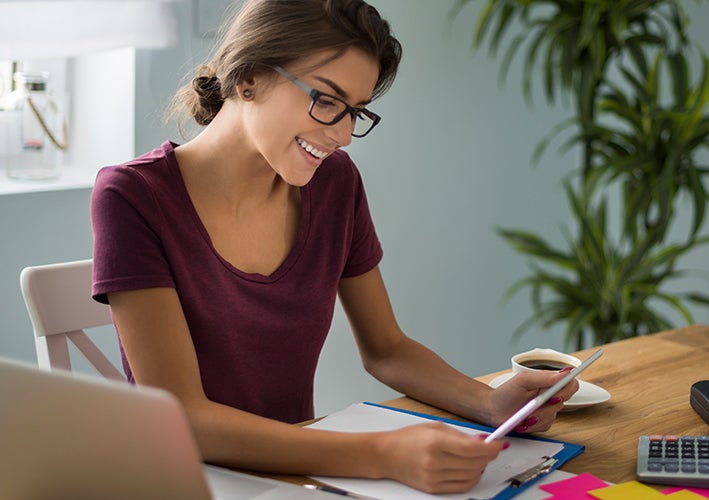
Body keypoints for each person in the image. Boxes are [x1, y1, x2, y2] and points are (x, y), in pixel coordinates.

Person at [90, 0, 578, 494]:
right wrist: (384, 455)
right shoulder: (132, 197)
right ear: (249, 78)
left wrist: (490, 403)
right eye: (326, 99)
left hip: (299, 481)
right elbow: (184, 418)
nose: (344, 135)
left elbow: (386, 349)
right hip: (182, 482)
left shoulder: (335, 184)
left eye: (356, 111)